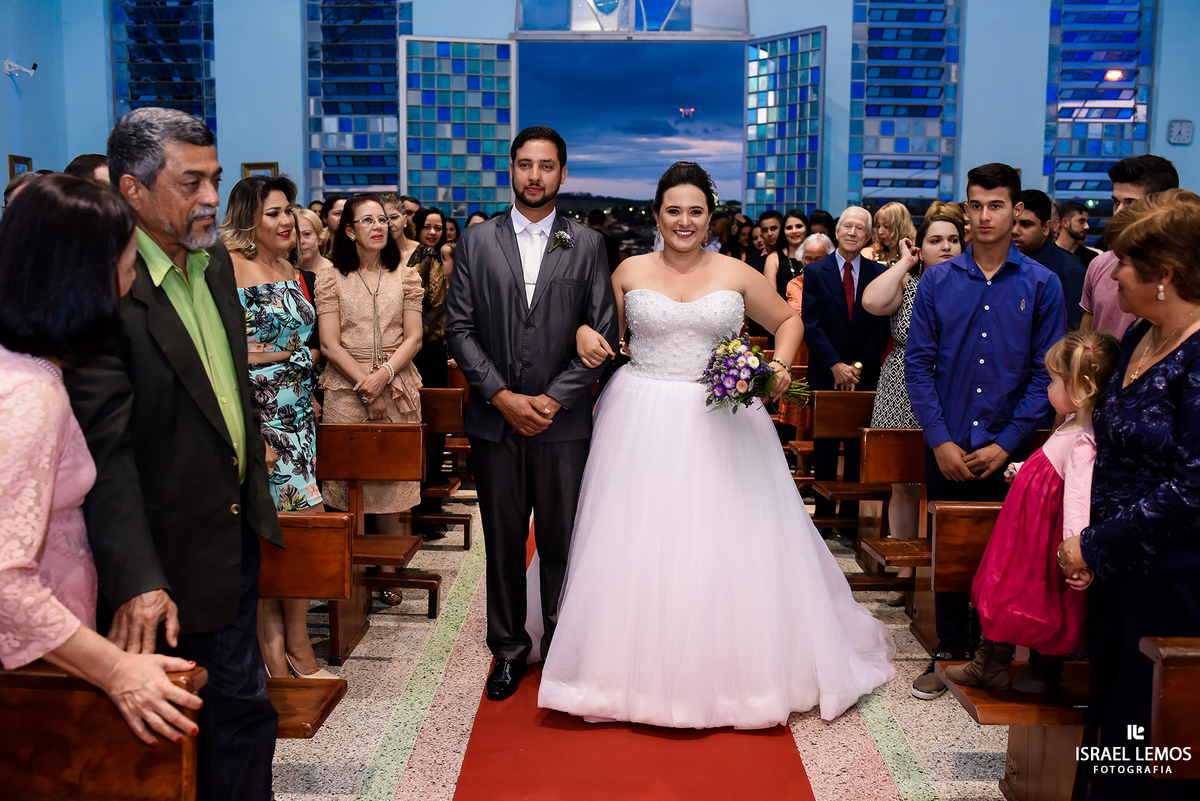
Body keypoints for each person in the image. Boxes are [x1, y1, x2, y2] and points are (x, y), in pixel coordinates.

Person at [540, 162, 895, 729]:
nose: (684, 221)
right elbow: (596, 327)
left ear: (711, 217)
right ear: (657, 215)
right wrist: (584, 332)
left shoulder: (736, 271)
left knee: (725, 537)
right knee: (636, 538)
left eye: (696, 211)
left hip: (722, 417)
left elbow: (789, 322)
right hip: (641, 413)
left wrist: (776, 366)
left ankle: (734, 667)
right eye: (673, 210)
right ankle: (620, 669)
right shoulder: (628, 268)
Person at [64, 107, 283, 800]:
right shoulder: (108, 286)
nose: (212, 199)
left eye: (215, 179)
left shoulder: (214, 259)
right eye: (192, 183)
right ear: (132, 190)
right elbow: (108, 449)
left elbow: (229, 379)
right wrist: (136, 577)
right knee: (180, 739)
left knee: (242, 713)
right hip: (163, 564)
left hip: (232, 534)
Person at [0, 173, 204, 746]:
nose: (133, 275)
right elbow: (4, 581)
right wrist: (116, 670)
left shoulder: (26, 365)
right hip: (39, 669)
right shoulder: (28, 393)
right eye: (125, 260)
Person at [444, 126, 618, 702]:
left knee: (563, 540)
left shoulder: (587, 244)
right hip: (496, 420)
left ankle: (565, 648)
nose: (535, 176)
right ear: (511, 170)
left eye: (547, 166)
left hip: (562, 423)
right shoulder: (476, 242)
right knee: (503, 540)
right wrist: (501, 396)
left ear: (563, 174)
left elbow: (602, 331)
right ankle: (509, 651)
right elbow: (459, 329)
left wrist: (549, 399)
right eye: (525, 165)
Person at [1055, 189, 1200, 800]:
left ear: (1164, 275)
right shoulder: (1142, 333)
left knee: (1152, 735)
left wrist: (1095, 543)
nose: (1111, 276)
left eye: (1126, 267)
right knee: (1114, 717)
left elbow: (1194, 486)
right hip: (1119, 569)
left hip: (1173, 577)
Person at [904, 162, 1066, 701]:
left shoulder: (1042, 283)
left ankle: (992, 655)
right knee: (948, 551)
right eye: (975, 204)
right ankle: (951, 649)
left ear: (1016, 210)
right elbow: (919, 365)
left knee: (1008, 556)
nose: (984, 216)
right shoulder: (939, 279)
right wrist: (940, 438)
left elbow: (1047, 372)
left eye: (995, 205)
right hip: (946, 439)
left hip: (1009, 446)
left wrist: (1006, 443)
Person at [950, 330, 1118, 694]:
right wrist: (1023, 469)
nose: (1048, 387)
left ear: (1081, 388)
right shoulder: (1072, 425)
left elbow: (1076, 499)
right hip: (1025, 530)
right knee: (1006, 590)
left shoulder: (1084, 440)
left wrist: (1077, 550)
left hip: (1045, 538)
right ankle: (989, 663)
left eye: (1055, 380)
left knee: (1037, 598)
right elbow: (1049, 466)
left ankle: (1042, 670)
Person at [220, 175, 334, 681]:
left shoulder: (290, 267)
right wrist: (256, 428)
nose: (287, 221)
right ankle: (273, 652)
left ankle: (297, 641)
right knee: (269, 534)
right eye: (274, 213)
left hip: (299, 413)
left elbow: (302, 338)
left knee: (302, 530)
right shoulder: (227, 269)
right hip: (260, 416)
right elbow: (223, 352)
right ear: (248, 218)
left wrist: (301, 372)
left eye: (288, 211)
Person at [315, 195, 425, 570]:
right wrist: (366, 382)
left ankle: (390, 569)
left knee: (389, 477)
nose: (378, 227)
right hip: (347, 388)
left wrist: (385, 376)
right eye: (367, 221)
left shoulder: (407, 276)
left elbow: (414, 337)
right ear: (349, 230)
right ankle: (354, 573)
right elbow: (329, 343)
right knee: (351, 480)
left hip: (397, 384)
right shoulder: (331, 278)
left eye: (382, 220)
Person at [863, 215, 965, 606]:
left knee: (946, 477)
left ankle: (944, 563)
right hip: (901, 387)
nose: (946, 247)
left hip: (951, 387)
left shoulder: (973, 286)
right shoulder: (909, 283)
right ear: (921, 247)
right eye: (936, 240)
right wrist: (905, 262)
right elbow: (872, 302)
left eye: (954, 240)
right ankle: (904, 565)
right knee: (903, 482)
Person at [802, 206, 892, 533]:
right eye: (847, 226)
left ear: (867, 235)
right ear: (836, 232)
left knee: (857, 447)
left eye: (859, 228)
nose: (852, 232)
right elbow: (811, 325)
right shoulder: (816, 272)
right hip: (826, 372)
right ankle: (823, 519)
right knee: (825, 447)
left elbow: (882, 327)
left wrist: (854, 366)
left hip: (863, 373)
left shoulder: (880, 273)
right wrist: (835, 365)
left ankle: (852, 520)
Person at [1080, 155, 1179, 338]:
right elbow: (1085, 338)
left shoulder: (1179, 270)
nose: (1118, 212)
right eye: (1116, 202)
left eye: (1131, 203)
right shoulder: (1100, 264)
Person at [407, 206, 452, 537]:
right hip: (405, 352)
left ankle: (429, 509)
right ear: (417, 227)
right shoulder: (409, 256)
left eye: (439, 227)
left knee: (433, 429)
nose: (434, 232)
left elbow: (436, 312)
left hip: (429, 350)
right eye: (428, 226)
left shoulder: (433, 259)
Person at [1013, 189, 1086, 331]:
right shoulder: (1005, 262)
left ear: (1046, 228)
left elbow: (1071, 331)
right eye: (1012, 223)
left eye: (1026, 224)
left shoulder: (1069, 271)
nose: (1015, 230)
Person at [763, 209, 809, 300]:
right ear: (783, 231)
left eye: (799, 226)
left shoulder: (814, 256)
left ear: (807, 229)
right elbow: (771, 297)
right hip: (782, 312)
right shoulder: (774, 258)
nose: (794, 231)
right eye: (789, 228)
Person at [862, 202, 916, 266]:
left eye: (886, 226)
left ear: (900, 227)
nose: (880, 232)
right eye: (878, 226)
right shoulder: (873, 253)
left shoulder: (915, 253)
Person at [1055, 200, 1097, 268]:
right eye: (1081, 221)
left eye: (1087, 222)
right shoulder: (1049, 254)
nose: (1087, 227)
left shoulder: (1091, 257)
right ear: (1065, 223)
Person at [295, 207, 333, 274]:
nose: (301, 241)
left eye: (307, 234)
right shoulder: (287, 273)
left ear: (319, 238)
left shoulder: (335, 273)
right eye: (296, 236)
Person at [587, 208, 621, 273]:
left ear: (588, 222)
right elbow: (614, 265)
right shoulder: (612, 241)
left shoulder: (581, 240)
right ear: (605, 223)